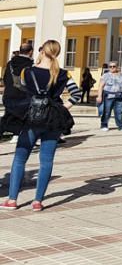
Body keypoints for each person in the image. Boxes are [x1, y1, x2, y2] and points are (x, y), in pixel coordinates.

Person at [1, 40, 81, 212]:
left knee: (20, 159)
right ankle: (37, 201)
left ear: (42, 51)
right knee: (46, 161)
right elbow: (76, 94)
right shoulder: (63, 74)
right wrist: (61, 108)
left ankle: (12, 200)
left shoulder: (27, 72)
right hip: (53, 120)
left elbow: (22, 91)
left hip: (31, 119)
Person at [1, 43, 33, 137]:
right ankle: (19, 134)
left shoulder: (10, 63)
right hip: (23, 95)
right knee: (25, 117)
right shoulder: (31, 65)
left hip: (9, 94)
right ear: (30, 52)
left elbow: (5, 78)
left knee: (8, 116)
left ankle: (14, 133)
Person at [97, 61, 122, 132]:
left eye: (114, 66)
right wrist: (99, 96)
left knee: (119, 112)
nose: (112, 68)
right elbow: (100, 86)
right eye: (110, 66)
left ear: (117, 67)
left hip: (119, 96)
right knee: (107, 111)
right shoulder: (106, 75)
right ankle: (104, 125)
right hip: (108, 95)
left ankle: (121, 126)